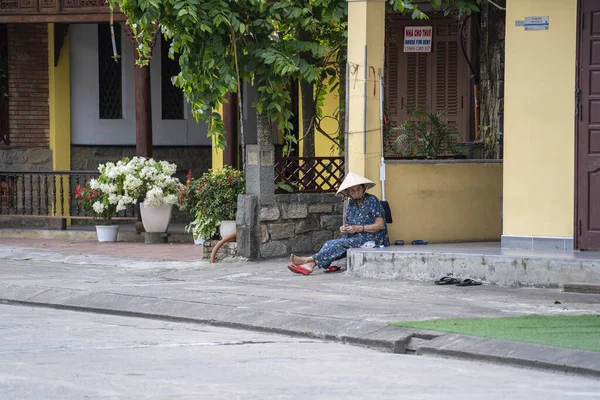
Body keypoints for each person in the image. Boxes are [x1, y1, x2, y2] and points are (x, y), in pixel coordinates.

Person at [288, 172, 390, 275]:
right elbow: (350, 224)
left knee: (340, 244)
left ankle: (308, 260)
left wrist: (360, 228)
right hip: (356, 237)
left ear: (363, 188)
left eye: (359, 188)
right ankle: (310, 266)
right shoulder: (351, 203)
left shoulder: (372, 200)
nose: (356, 192)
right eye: (353, 190)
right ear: (348, 193)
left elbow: (380, 225)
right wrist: (344, 228)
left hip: (373, 239)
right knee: (329, 243)